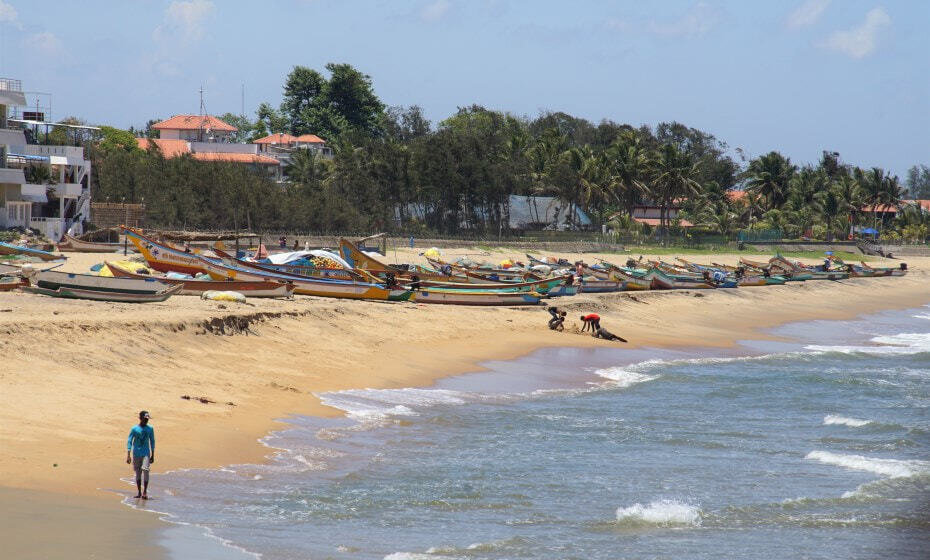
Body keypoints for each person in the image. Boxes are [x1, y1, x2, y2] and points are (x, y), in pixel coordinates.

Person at [126, 410, 155, 499]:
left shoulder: (150, 429)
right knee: (138, 473)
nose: (146, 421)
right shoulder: (134, 429)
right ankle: (139, 492)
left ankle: (145, 491)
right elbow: (129, 440)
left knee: (146, 470)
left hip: (146, 453)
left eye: (147, 419)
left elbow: (152, 441)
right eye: (145, 419)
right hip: (136, 454)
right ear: (140, 418)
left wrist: (153, 454)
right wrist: (128, 454)